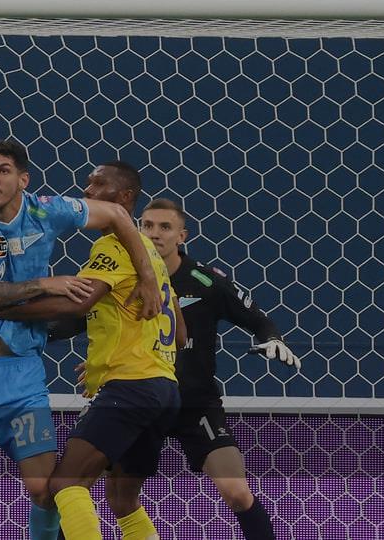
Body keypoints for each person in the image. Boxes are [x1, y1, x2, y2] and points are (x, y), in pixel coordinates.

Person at [0, 145, 163, 540]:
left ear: (23, 180)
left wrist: (148, 276)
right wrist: (46, 283)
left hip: (20, 376)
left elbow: (118, 215)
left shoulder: (46, 210)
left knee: (43, 492)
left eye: (3, 170)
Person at [135, 197, 300, 540]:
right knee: (80, 482)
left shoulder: (206, 281)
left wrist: (273, 339)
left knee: (237, 492)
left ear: (182, 235)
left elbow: (260, 321)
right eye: (147, 225)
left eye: (165, 227)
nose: (154, 233)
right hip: (137, 398)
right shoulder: (122, 278)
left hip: (195, 403)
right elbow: (84, 322)